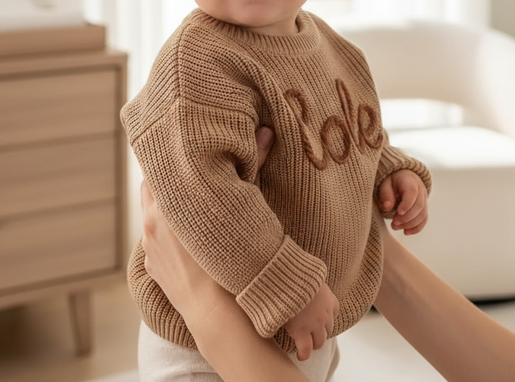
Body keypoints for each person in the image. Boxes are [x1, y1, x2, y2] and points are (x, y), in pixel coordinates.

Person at [121, 0, 432, 382]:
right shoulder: (200, 62)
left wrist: (390, 170)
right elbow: (202, 193)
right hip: (211, 340)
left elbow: (346, 131)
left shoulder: (332, 48)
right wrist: (284, 284)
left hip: (309, 317)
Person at [139, 129, 515, 382]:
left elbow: (351, 120)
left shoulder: (323, 46)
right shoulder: (197, 57)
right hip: (200, 362)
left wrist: (203, 303)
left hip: (273, 334)